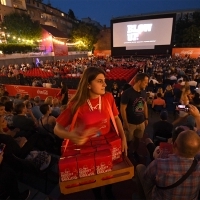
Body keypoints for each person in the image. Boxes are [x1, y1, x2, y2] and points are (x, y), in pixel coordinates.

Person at [54, 67, 127, 200]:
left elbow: (116, 118)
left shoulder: (108, 97)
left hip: (107, 142)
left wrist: (123, 137)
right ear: (88, 84)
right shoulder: (76, 104)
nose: (105, 84)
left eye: (104, 81)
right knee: (95, 177)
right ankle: (98, 194)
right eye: (100, 81)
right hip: (88, 147)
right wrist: (71, 135)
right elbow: (57, 128)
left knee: (109, 172)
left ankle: (109, 190)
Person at [136, 104, 200, 200]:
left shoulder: (160, 164)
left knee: (139, 168)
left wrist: (197, 116)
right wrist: (198, 117)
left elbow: (147, 179)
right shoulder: (198, 164)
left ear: (174, 145)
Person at [120, 73, 149, 157]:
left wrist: (146, 118)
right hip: (130, 123)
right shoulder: (127, 93)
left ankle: (135, 151)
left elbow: (145, 105)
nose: (147, 84)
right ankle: (127, 155)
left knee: (138, 139)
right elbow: (122, 108)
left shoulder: (143, 92)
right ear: (139, 81)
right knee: (128, 140)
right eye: (145, 82)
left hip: (141, 122)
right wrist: (125, 122)